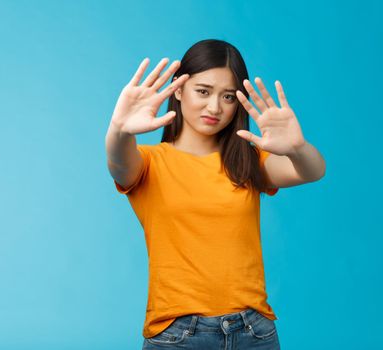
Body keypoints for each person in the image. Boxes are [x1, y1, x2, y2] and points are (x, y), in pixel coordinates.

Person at [105, 39, 326, 349]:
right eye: (203, 91)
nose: (214, 108)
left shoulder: (247, 160)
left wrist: (298, 148)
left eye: (227, 97)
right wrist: (119, 129)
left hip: (254, 332)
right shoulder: (150, 163)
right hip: (178, 335)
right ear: (178, 90)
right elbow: (118, 163)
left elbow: (312, 171)